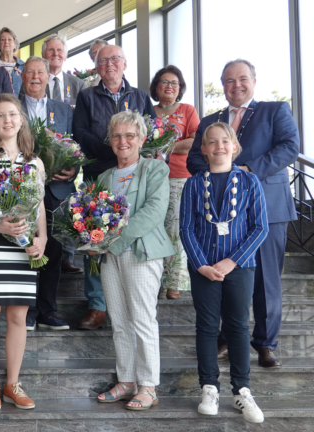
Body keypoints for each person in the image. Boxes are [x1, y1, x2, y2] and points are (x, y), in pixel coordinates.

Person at [187, 59, 299, 368]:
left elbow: (290, 146)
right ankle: (227, 339)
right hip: (221, 215)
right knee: (226, 276)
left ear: (254, 81)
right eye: (229, 80)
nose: (236, 85)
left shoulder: (275, 110)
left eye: (242, 79)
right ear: (222, 85)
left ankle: (265, 343)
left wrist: (247, 171)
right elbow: (194, 159)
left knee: (266, 279)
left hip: (269, 208)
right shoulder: (211, 120)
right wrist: (217, 175)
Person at [180, 122, 268, 423]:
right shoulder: (193, 184)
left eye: (225, 141)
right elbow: (186, 228)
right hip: (203, 267)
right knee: (206, 326)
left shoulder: (250, 182)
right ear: (203, 149)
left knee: (238, 326)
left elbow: (260, 227)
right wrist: (201, 264)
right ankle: (209, 387)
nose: (219, 146)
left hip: (240, 266)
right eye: (212, 142)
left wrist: (233, 261)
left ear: (235, 147)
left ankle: (242, 390)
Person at [72, 44, 157, 330]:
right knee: (94, 235)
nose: (109, 64)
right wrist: (112, 149)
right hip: (98, 175)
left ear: (125, 63)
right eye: (103, 60)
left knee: (132, 232)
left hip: (135, 176)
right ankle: (97, 305)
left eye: (115, 59)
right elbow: (80, 133)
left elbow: (151, 133)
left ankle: (130, 299)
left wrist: (129, 153)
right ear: (97, 67)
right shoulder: (86, 96)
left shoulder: (141, 96)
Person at [94, 110, 174, 411]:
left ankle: (148, 386)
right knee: (119, 320)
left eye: (129, 135)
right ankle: (127, 381)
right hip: (110, 257)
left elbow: (154, 211)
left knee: (141, 319)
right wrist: (91, 240)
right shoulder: (104, 177)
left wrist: (115, 241)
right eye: (117, 136)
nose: (123, 141)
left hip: (141, 251)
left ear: (141, 139)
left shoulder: (154, 168)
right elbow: (93, 217)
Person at [0, 93, 47, 410]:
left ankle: (12, 384)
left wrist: (42, 239)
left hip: (24, 248)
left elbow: (39, 205)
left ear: (21, 120)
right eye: (0, 115)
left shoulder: (35, 162)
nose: (7, 120)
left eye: (12, 114)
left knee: (18, 316)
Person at [18, 56, 73, 331]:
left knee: (53, 249)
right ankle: (26, 311)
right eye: (30, 72)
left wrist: (73, 169)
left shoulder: (63, 110)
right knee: (27, 248)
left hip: (57, 189)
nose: (35, 77)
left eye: (40, 72)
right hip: (23, 189)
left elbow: (74, 146)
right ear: (22, 76)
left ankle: (47, 311)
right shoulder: (13, 106)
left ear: (48, 77)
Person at [150, 65, 200, 300]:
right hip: (151, 178)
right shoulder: (148, 110)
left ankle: (174, 282)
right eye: (164, 82)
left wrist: (166, 148)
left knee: (175, 229)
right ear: (156, 87)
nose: (169, 86)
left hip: (179, 176)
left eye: (174, 83)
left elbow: (195, 140)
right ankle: (155, 280)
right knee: (154, 228)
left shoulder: (188, 110)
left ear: (180, 88)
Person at [18, 34, 85, 107]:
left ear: (65, 56)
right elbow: (22, 109)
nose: (55, 54)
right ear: (43, 55)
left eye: (59, 50)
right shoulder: (31, 84)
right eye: (51, 50)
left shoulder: (78, 85)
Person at [0, 27, 25, 96]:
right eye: (3, 39)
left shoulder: (23, 66)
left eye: (9, 40)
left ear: (15, 45)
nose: (6, 42)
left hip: (17, 102)